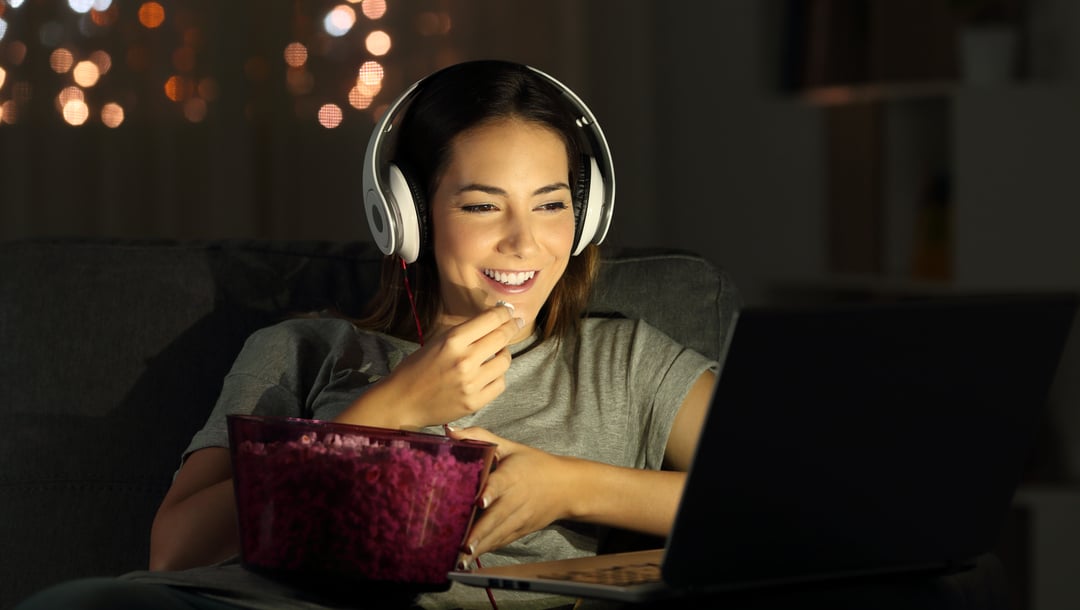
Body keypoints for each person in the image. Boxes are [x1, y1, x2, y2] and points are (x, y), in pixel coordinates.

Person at [15, 60, 719, 610]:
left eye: (551, 204)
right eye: (481, 205)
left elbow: (782, 503)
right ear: (405, 215)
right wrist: (386, 414)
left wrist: (571, 487)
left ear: (587, 213)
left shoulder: (626, 362)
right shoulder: (304, 350)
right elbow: (176, 553)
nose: (524, 242)